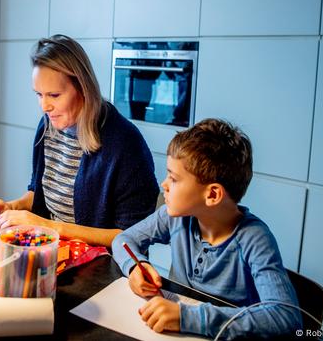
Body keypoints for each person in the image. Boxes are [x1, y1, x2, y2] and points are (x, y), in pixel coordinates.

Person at [112, 118, 302, 339]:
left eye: (173, 178)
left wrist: (189, 318)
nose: (164, 185)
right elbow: (123, 240)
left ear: (212, 194)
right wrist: (136, 267)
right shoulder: (176, 217)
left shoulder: (254, 238)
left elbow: (285, 317)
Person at [0, 34, 159, 247]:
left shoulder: (125, 144)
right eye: (39, 94)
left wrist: (49, 227)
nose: (44, 106)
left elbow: (133, 235)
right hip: (51, 250)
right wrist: (13, 207)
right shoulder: (47, 127)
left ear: (83, 88)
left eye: (54, 95)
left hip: (103, 266)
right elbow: (38, 192)